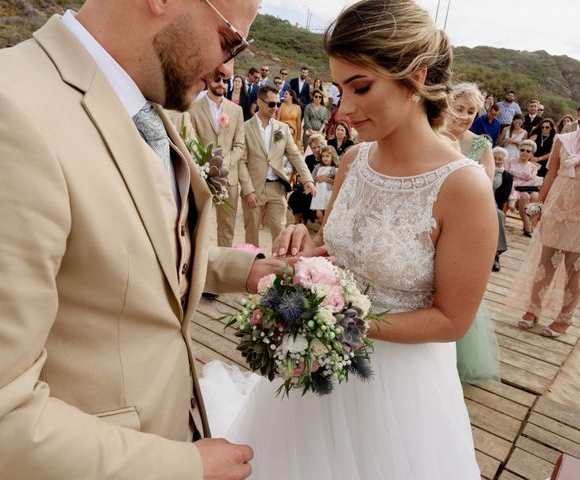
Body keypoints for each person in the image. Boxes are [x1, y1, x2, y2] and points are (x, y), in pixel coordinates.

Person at [0, 0, 304, 478]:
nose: (228, 67)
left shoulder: (142, 102)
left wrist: (242, 268)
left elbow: (137, 244)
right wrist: (184, 466)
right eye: (230, 40)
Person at [201, 1, 496, 477]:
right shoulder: (353, 162)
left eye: (360, 87)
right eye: (339, 89)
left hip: (399, 393)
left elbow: (452, 320)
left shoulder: (464, 187)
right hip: (316, 370)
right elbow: (337, 253)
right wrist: (305, 246)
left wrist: (339, 320)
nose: (346, 109)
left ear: (415, 77)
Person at [511, 92, 580, 337]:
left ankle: (565, 319)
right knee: (546, 263)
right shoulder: (562, 140)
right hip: (557, 206)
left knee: (576, 269)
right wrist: (538, 207)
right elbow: (550, 175)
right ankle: (533, 310)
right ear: (579, 114)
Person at [445, 82, 500, 384]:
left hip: (464, 226)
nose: (464, 116)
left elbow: (487, 184)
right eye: (459, 108)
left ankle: (457, 358)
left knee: (456, 285)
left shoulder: (481, 144)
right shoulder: (432, 137)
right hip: (430, 221)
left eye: (471, 111)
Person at [239, 85, 316, 247]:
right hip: (254, 189)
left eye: (278, 104)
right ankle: (254, 269)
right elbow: (241, 162)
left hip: (277, 189)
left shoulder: (282, 129)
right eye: (272, 104)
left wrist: (308, 179)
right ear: (260, 102)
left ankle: (276, 271)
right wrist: (248, 190)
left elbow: (295, 155)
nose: (276, 108)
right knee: (251, 237)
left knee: (280, 235)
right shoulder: (245, 128)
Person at [189, 76, 245, 247]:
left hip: (229, 179)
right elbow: (191, 143)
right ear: (208, 80)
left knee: (227, 228)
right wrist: (207, 167)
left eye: (225, 80)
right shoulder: (194, 109)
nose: (221, 83)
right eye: (217, 80)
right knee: (198, 224)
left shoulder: (236, 110)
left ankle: (223, 267)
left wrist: (223, 165)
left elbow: (240, 145)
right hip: (202, 177)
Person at [287, 133, 324, 225]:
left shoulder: (326, 158)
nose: (316, 150)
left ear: (323, 146)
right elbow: (299, 177)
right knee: (294, 196)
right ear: (310, 148)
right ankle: (298, 220)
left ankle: (304, 221)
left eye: (319, 147)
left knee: (307, 198)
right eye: (314, 148)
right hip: (307, 186)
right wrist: (308, 183)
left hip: (321, 189)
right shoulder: (308, 159)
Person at [507, 139, 542, 237]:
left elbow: (533, 180)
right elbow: (506, 176)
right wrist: (516, 185)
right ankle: (527, 226)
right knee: (525, 197)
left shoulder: (533, 166)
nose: (524, 152)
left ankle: (530, 223)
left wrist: (522, 185)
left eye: (528, 151)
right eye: (522, 150)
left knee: (536, 196)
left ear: (531, 153)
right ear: (519, 150)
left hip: (527, 187)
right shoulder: (510, 161)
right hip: (512, 188)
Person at [492, 147, 514, 271]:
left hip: (494, 205)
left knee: (500, 214)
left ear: (504, 161)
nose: (497, 161)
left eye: (500, 159)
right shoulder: (482, 170)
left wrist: (498, 174)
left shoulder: (508, 177)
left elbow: (503, 198)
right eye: (495, 158)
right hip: (479, 203)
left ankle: (495, 256)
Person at [309, 145, 338, 222]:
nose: (325, 158)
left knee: (328, 214)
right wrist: (315, 180)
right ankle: (321, 226)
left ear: (332, 157)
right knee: (319, 214)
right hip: (318, 194)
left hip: (329, 194)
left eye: (327, 156)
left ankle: (325, 228)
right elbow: (312, 178)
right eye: (323, 156)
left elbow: (338, 182)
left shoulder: (334, 169)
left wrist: (327, 179)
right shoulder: (318, 166)